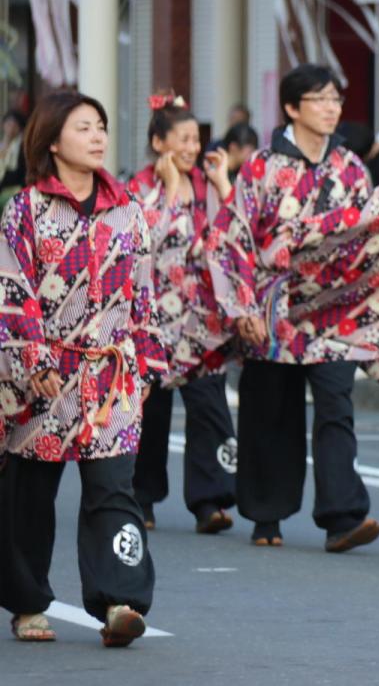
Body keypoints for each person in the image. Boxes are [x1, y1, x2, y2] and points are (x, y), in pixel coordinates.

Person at [207, 63, 379, 552]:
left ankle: (342, 517)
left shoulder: (352, 169)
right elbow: (231, 238)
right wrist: (242, 307)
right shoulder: (261, 167)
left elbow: (373, 237)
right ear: (293, 108)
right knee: (270, 410)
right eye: (319, 99)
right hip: (275, 306)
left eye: (336, 99)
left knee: (337, 406)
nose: (331, 108)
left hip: (335, 311)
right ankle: (265, 515)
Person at [0, 91, 167, 646]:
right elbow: (11, 290)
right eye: (83, 128)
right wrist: (32, 356)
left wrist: (147, 360)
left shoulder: (129, 211)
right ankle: (27, 604)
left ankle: (120, 600)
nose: (98, 136)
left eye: (101, 126)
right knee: (32, 494)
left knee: (114, 489)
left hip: (111, 374)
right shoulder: (25, 211)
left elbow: (144, 290)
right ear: (51, 141)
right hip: (46, 377)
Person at [127, 93, 238, 536]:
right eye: (184, 139)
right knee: (150, 411)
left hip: (199, 315)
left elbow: (235, 232)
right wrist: (172, 189)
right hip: (151, 315)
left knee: (209, 404)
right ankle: (142, 497)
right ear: (159, 142)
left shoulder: (208, 183)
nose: (193, 147)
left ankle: (209, 500)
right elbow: (142, 242)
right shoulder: (136, 187)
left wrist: (224, 181)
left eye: (197, 138)